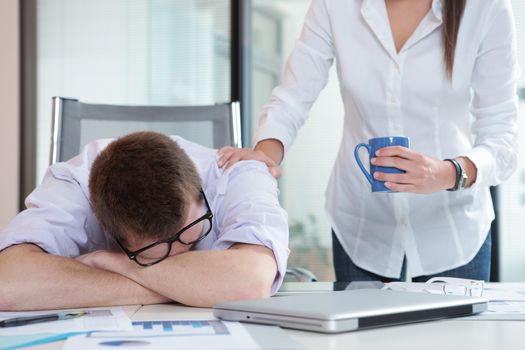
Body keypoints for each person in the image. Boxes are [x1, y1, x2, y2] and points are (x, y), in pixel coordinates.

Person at [218, 0, 519, 282]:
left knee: (453, 340)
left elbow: (502, 137)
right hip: (361, 231)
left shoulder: (486, 8)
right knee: (363, 339)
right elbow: (294, 95)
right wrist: (265, 154)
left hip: (453, 235)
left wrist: (444, 173)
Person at [0, 131, 289, 311]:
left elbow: (251, 282)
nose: (179, 255)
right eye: (152, 256)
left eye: (191, 233)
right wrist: (195, 286)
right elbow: (7, 283)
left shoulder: (239, 172)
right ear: (107, 227)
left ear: (199, 189)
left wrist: (117, 264)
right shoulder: (75, 183)